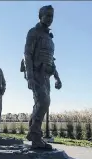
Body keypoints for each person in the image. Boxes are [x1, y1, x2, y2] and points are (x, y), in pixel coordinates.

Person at [22, 5, 62, 149]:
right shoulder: (34, 32)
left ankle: (31, 133)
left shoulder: (49, 38)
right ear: (40, 16)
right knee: (44, 102)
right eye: (47, 15)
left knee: (40, 103)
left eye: (52, 16)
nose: (50, 19)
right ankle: (36, 136)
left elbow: (51, 60)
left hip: (46, 75)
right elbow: (27, 54)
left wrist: (57, 78)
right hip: (36, 73)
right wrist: (30, 76)